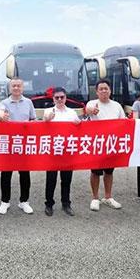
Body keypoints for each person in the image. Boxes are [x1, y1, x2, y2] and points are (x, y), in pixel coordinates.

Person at [85, 79, 126, 211]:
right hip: (97, 143)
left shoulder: (117, 105)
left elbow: (124, 122)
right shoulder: (92, 103)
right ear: (97, 92)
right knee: (95, 171)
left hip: (111, 143)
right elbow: (87, 110)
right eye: (101, 89)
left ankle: (108, 197)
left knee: (109, 171)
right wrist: (92, 111)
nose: (103, 91)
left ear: (110, 90)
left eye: (106, 88)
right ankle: (95, 198)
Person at [0, 77, 36, 215]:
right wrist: (2, 116)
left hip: (24, 143)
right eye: (13, 86)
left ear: (22, 88)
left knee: (24, 173)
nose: (16, 88)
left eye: (19, 86)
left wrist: (30, 124)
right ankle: (5, 201)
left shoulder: (29, 102)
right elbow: (0, 113)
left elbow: (33, 119)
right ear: (9, 88)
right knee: (6, 173)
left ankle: (24, 201)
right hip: (8, 143)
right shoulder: (4, 103)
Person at [42, 87, 80, 217]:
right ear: (53, 99)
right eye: (56, 97)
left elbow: (78, 130)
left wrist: (79, 124)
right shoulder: (48, 111)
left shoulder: (72, 112)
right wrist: (47, 120)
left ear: (65, 98)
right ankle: (49, 204)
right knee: (51, 179)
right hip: (53, 150)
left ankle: (66, 203)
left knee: (66, 179)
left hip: (68, 150)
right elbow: (42, 127)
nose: (59, 99)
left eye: (62, 97)